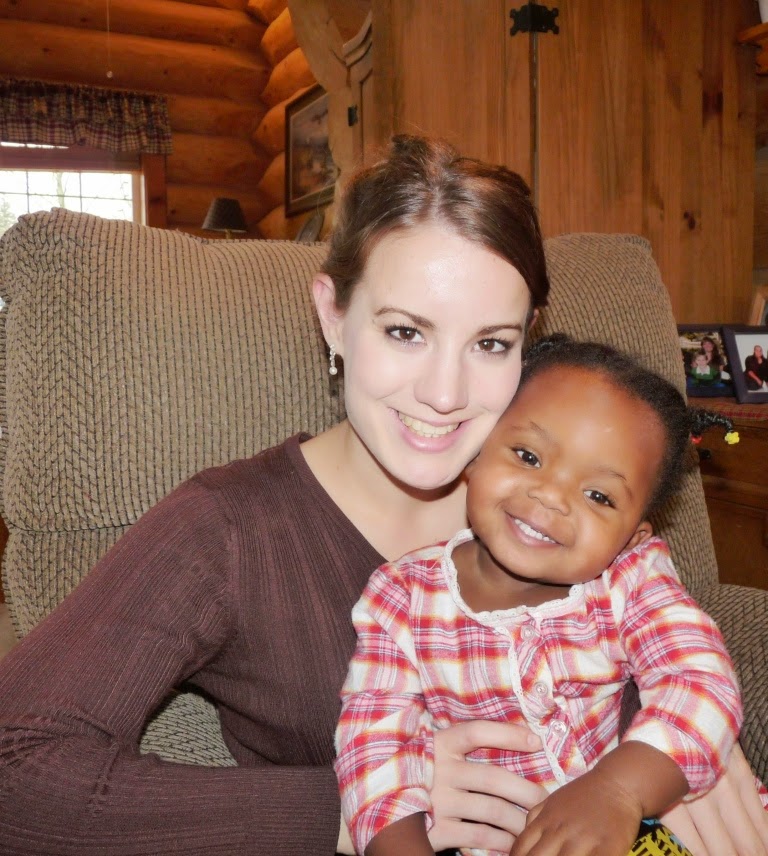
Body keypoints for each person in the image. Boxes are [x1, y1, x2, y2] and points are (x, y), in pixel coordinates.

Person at [0, 136, 766, 856]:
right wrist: (358, 804)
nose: (444, 393)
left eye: (490, 343)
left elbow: (663, 655)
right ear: (334, 315)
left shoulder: (561, 502)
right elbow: (16, 769)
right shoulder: (227, 531)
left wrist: (669, 760)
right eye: (405, 331)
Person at [335, 335, 768, 856]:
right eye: (528, 456)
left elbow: (700, 680)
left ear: (632, 537)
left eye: (598, 495)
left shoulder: (629, 579)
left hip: (653, 829)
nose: (551, 496)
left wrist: (620, 789)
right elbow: (376, 744)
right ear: (474, 454)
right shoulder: (401, 598)